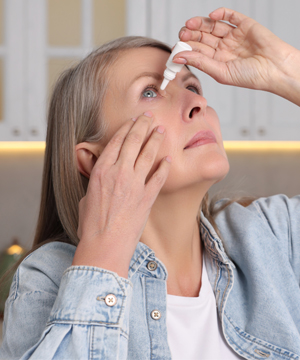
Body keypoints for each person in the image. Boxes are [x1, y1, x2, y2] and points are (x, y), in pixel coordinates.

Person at [1, 7, 300, 359]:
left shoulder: (273, 236)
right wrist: (104, 252)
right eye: (150, 92)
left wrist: (289, 71)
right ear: (94, 159)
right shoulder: (46, 281)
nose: (197, 103)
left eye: (192, 85)